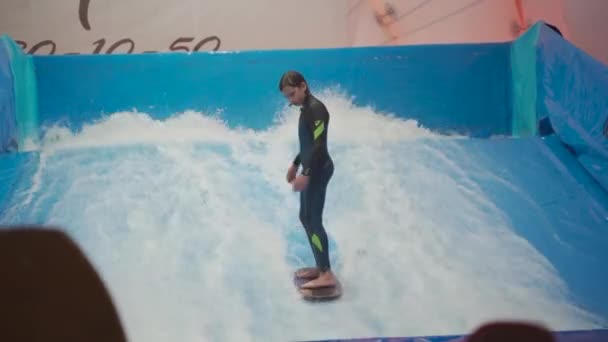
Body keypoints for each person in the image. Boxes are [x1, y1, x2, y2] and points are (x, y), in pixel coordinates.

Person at [279, 71, 338, 289]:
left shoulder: (317, 110)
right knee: (305, 217)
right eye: (287, 97)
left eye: (292, 94)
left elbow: (320, 146)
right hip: (309, 169)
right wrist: (295, 164)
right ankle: (320, 266)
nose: (291, 101)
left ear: (303, 86)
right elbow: (307, 144)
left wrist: (307, 173)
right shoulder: (305, 109)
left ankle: (326, 273)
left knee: (314, 220)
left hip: (319, 171)